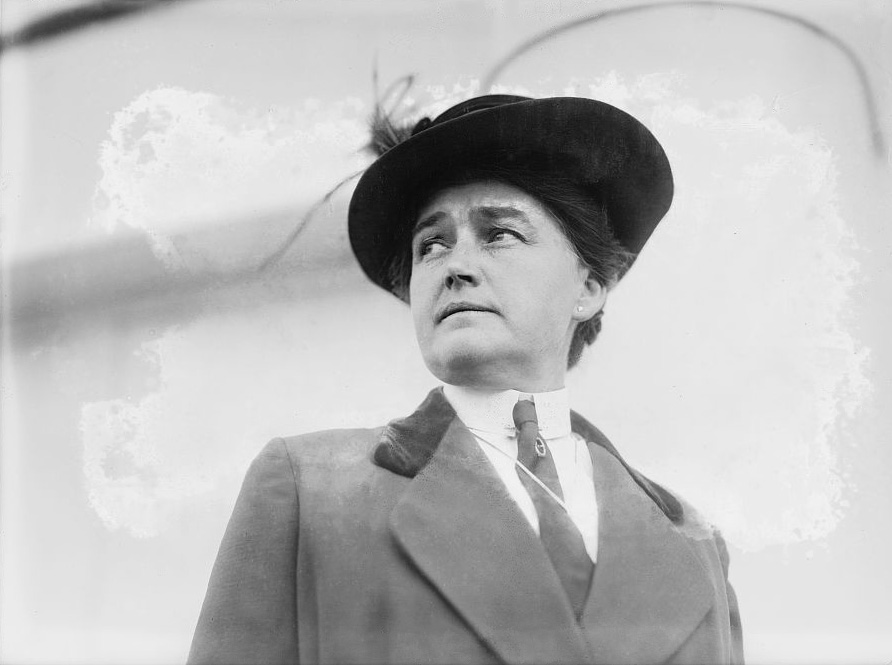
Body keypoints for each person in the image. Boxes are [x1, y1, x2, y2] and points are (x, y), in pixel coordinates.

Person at [188, 94, 744, 664]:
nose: (455, 266)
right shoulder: (311, 489)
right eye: (431, 245)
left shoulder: (695, 544)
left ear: (589, 286)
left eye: (499, 233)